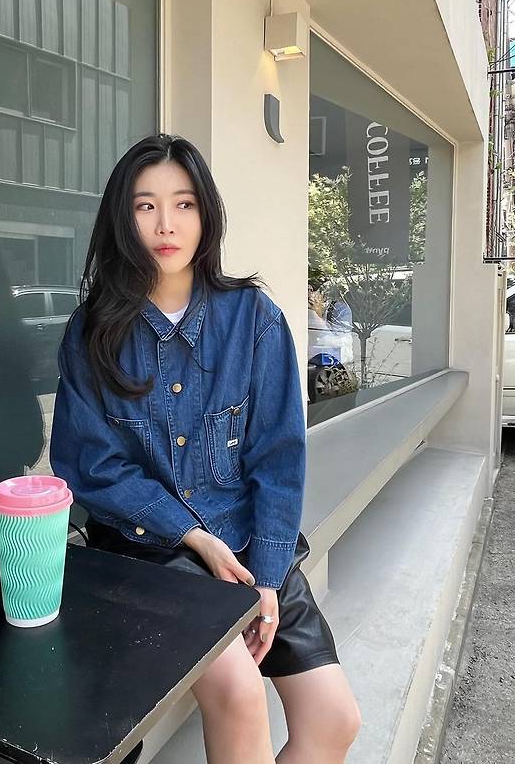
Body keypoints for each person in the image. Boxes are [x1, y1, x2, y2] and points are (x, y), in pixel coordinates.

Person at [49, 134, 361, 764]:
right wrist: (194, 536)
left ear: (205, 213)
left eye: (183, 204)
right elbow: (92, 466)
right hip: (150, 547)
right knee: (240, 693)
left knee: (334, 719)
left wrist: (267, 578)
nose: (165, 224)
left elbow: (277, 458)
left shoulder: (254, 318)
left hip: (248, 541)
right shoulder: (92, 333)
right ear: (122, 218)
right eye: (145, 206)